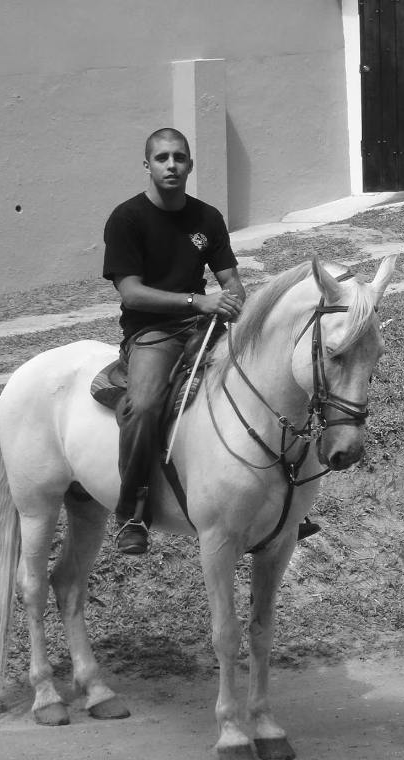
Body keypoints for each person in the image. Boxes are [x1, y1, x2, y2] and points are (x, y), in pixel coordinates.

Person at [102, 128, 245, 555]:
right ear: (147, 164)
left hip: (205, 328)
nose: (171, 165)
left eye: (179, 158)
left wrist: (235, 303)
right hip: (153, 331)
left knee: (265, 379)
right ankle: (131, 513)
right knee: (143, 406)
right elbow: (130, 291)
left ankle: (278, 499)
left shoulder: (207, 218)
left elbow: (231, 281)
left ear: (190, 165)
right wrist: (197, 301)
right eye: (162, 158)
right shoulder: (127, 218)